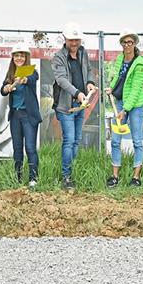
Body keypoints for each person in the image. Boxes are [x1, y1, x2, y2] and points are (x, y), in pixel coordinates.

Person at [52, 22, 98, 189]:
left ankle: (73, 172)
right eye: (71, 40)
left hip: (81, 105)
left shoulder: (82, 53)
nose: (74, 44)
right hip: (67, 106)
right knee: (69, 140)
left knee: (77, 140)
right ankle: (66, 177)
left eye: (77, 40)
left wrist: (90, 83)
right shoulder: (58, 57)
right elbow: (61, 80)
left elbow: (89, 70)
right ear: (65, 39)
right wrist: (77, 93)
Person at [105, 30, 143, 187]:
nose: (127, 45)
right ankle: (114, 176)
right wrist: (111, 88)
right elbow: (117, 77)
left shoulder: (141, 62)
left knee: (137, 141)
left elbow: (136, 88)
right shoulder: (120, 59)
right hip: (119, 102)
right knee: (115, 141)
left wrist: (125, 109)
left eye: (130, 42)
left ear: (135, 43)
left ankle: (136, 177)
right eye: (124, 42)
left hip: (135, 105)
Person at [0, 43, 41, 188]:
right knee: (17, 148)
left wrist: (23, 79)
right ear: (13, 57)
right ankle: (17, 178)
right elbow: (3, 90)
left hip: (29, 116)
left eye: (22, 55)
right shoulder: (10, 73)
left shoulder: (31, 71)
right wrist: (6, 88)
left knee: (30, 147)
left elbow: (32, 79)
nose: (19, 58)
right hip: (15, 116)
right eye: (16, 55)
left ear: (26, 57)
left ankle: (33, 179)